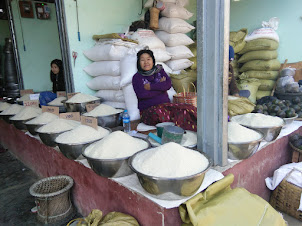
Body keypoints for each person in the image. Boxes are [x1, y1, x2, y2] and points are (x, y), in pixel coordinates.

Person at [132, 49, 197, 131]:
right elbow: (142, 94)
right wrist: (161, 87)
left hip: (166, 106)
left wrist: (151, 87)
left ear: (153, 60)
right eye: (142, 60)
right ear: (138, 62)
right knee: (164, 115)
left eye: (148, 59)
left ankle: (199, 127)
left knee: (187, 108)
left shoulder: (159, 71)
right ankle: (180, 131)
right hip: (149, 111)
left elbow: (168, 85)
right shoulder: (137, 77)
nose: (146, 62)